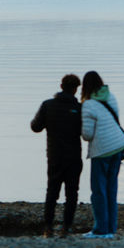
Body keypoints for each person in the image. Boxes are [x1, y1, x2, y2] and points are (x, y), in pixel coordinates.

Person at [30, 73, 83, 237]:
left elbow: (35, 127)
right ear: (76, 90)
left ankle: (48, 227)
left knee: (52, 191)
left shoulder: (48, 105)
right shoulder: (80, 109)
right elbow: (85, 132)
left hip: (54, 156)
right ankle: (66, 227)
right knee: (72, 193)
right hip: (74, 156)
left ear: (61, 87)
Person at [81, 70, 124, 238]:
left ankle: (101, 229)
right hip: (118, 146)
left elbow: (87, 135)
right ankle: (111, 229)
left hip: (102, 151)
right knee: (111, 189)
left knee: (99, 191)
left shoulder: (88, 105)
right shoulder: (111, 97)